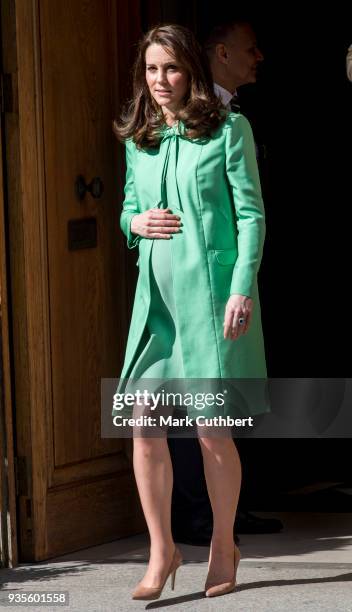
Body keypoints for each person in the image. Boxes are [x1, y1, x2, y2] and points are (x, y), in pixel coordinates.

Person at [113, 23, 267, 600]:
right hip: (156, 307)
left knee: (210, 431)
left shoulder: (230, 130)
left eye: (171, 69)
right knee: (144, 424)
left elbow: (251, 214)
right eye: (151, 69)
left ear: (192, 72)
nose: (160, 81)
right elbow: (129, 206)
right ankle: (163, 550)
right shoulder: (140, 137)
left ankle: (223, 544)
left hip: (209, 304)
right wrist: (135, 223)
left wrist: (240, 287)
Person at [168, 18, 282, 548]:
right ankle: (195, 516)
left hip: (231, 277)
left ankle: (223, 513)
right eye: (250, 47)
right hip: (186, 280)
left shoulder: (233, 119)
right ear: (220, 53)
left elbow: (248, 209)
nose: (258, 56)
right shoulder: (178, 119)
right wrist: (134, 224)